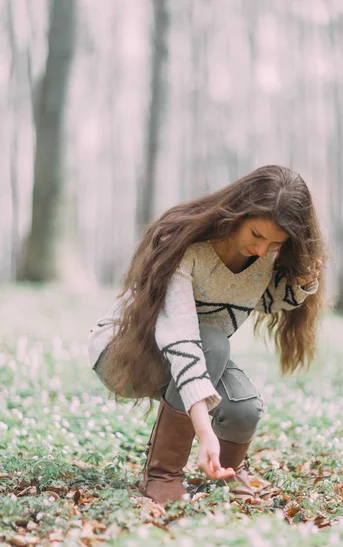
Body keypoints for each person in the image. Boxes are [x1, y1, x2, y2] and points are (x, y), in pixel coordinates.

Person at [88, 165, 326, 504]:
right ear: (238, 213)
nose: (262, 249)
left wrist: (301, 287)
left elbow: (254, 298)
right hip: (125, 353)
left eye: (275, 242)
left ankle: (223, 473)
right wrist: (203, 431)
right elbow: (182, 337)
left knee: (245, 408)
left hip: (197, 354)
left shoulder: (262, 256)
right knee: (213, 342)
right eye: (257, 235)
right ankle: (163, 474)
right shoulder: (185, 247)